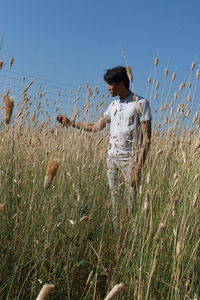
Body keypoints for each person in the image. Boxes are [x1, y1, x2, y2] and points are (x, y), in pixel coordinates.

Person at [57, 66, 151, 218]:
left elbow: (147, 138)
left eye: (110, 84)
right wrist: (70, 123)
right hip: (112, 158)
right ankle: (117, 236)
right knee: (115, 203)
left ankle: (127, 237)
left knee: (131, 206)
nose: (108, 88)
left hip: (131, 160)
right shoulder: (112, 106)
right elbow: (95, 127)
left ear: (120, 84)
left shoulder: (141, 103)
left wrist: (138, 165)